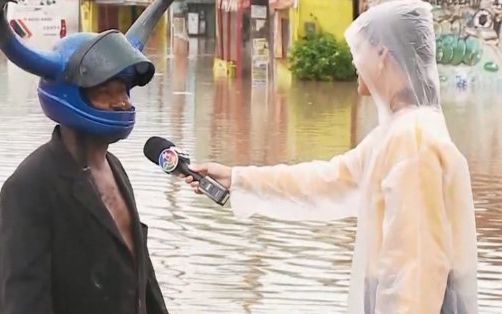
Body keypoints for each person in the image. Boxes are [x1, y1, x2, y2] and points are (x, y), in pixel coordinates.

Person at [182, 0, 478, 313]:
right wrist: (237, 178)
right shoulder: (396, 134)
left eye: (359, 47)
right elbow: (324, 182)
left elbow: (418, 272)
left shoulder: (415, 143)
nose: (353, 59)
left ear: (383, 54)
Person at [0, 0, 172, 313]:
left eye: (124, 91)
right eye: (105, 92)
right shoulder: (28, 188)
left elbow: (142, 282)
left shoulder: (115, 168)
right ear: (69, 95)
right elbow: (22, 303)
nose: (122, 103)